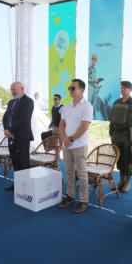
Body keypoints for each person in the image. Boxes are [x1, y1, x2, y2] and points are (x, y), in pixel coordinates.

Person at [57, 79, 93, 214]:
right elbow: (62, 124)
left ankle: (84, 200)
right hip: (67, 144)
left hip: (79, 145)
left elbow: (84, 126)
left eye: (73, 88)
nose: (70, 90)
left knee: (82, 173)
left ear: (82, 90)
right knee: (69, 171)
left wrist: (70, 138)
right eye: (69, 88)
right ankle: (71, 196)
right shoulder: (66, 106)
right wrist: (63, 138)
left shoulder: (87, 106)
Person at [109, 81, 132, 193]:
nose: (122, 90)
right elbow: (112, 120)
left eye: (125, 88)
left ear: (130, 89)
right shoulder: (116, 102)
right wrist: (111, 134)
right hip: (117, 136)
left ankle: (128, 182)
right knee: (119, 159)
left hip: (129, 137)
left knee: (128, 160)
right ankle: (121, 181)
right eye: (121, 88)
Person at [2, 81, 34, 191]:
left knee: (23, 163)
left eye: (14, 89)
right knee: (15, 162)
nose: (13, 92)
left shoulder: (28, 101)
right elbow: (5, 117)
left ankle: (26, 187)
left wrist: (10, 130)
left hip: (22, 137)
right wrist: (6, 129)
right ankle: (18, 184)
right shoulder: (11, 102)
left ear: (22, 88)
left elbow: (24, 119)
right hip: (11, 136)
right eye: (11, 89)